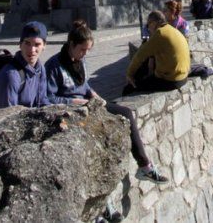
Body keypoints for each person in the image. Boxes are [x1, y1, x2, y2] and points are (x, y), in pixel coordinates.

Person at [46, 21, 168, 183]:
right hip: (72, 109)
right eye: (82, 49)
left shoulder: (81, 61)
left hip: (89, 103)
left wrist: (93, 94)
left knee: (126, 113)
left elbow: (84, 85)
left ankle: (145, 166)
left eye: (88, 50)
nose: (85, 54)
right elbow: (50, 98)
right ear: (71, 44)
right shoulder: (54, 66)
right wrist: (75, 101)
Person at [124, 10, 190, 95]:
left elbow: (139, 56)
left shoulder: (160, 33)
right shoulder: (171, 29)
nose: (148, 28)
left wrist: (129, 74)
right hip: (183, 76)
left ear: (154, 23)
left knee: (129, 89)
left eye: (148, 24)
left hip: (171, 80)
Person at [0, 21, 49, 108]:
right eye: (27, 43)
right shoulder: (11, 75)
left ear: (44, 46)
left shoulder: (40, 69)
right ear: (20, 44)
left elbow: (43, 101)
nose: (32, 50)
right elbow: (7, 112)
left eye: (37, 44)